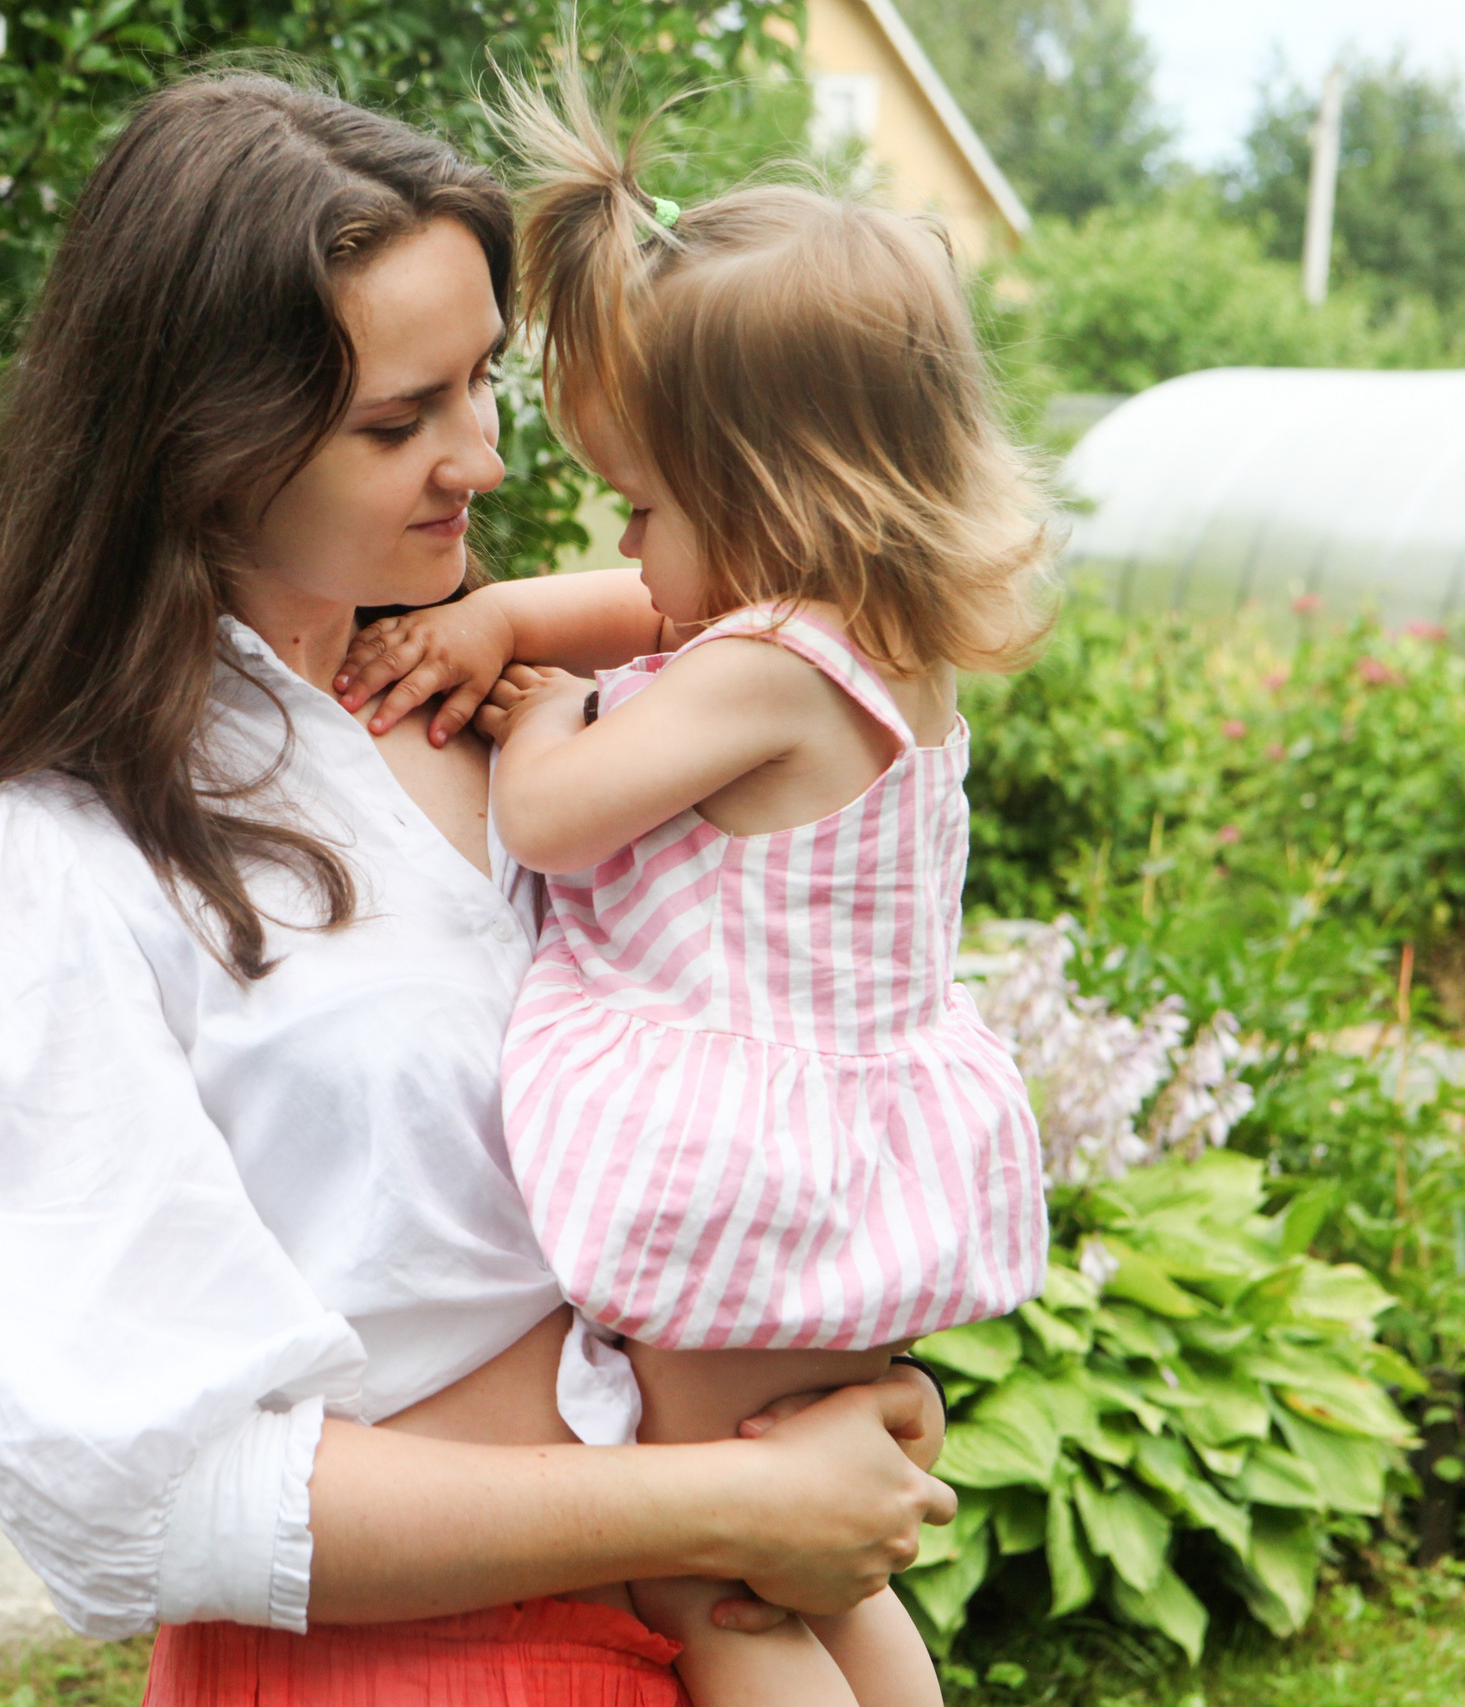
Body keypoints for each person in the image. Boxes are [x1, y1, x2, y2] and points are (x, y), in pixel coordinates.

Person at [0, 70, 955, 1707]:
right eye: (401, 420)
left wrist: (821, 1391)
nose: (486, 460)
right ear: (201, 443)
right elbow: (146, 1494)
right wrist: (730, 1495)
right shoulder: (47, 851)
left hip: (712, 1613)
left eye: (483, 384)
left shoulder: (538, 713)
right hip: (415, 1669)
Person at [332, 62, 1054, 1707]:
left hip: (754, 1180)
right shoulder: (859, 638)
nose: (626, 553)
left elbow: (565, 819)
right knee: (809, 1544)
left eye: (645, 507)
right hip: (839, 1177)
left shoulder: (765, 672)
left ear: (770, 498)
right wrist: (515, 614)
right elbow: (648, 609)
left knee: (711, 1567)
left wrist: (542, 704)